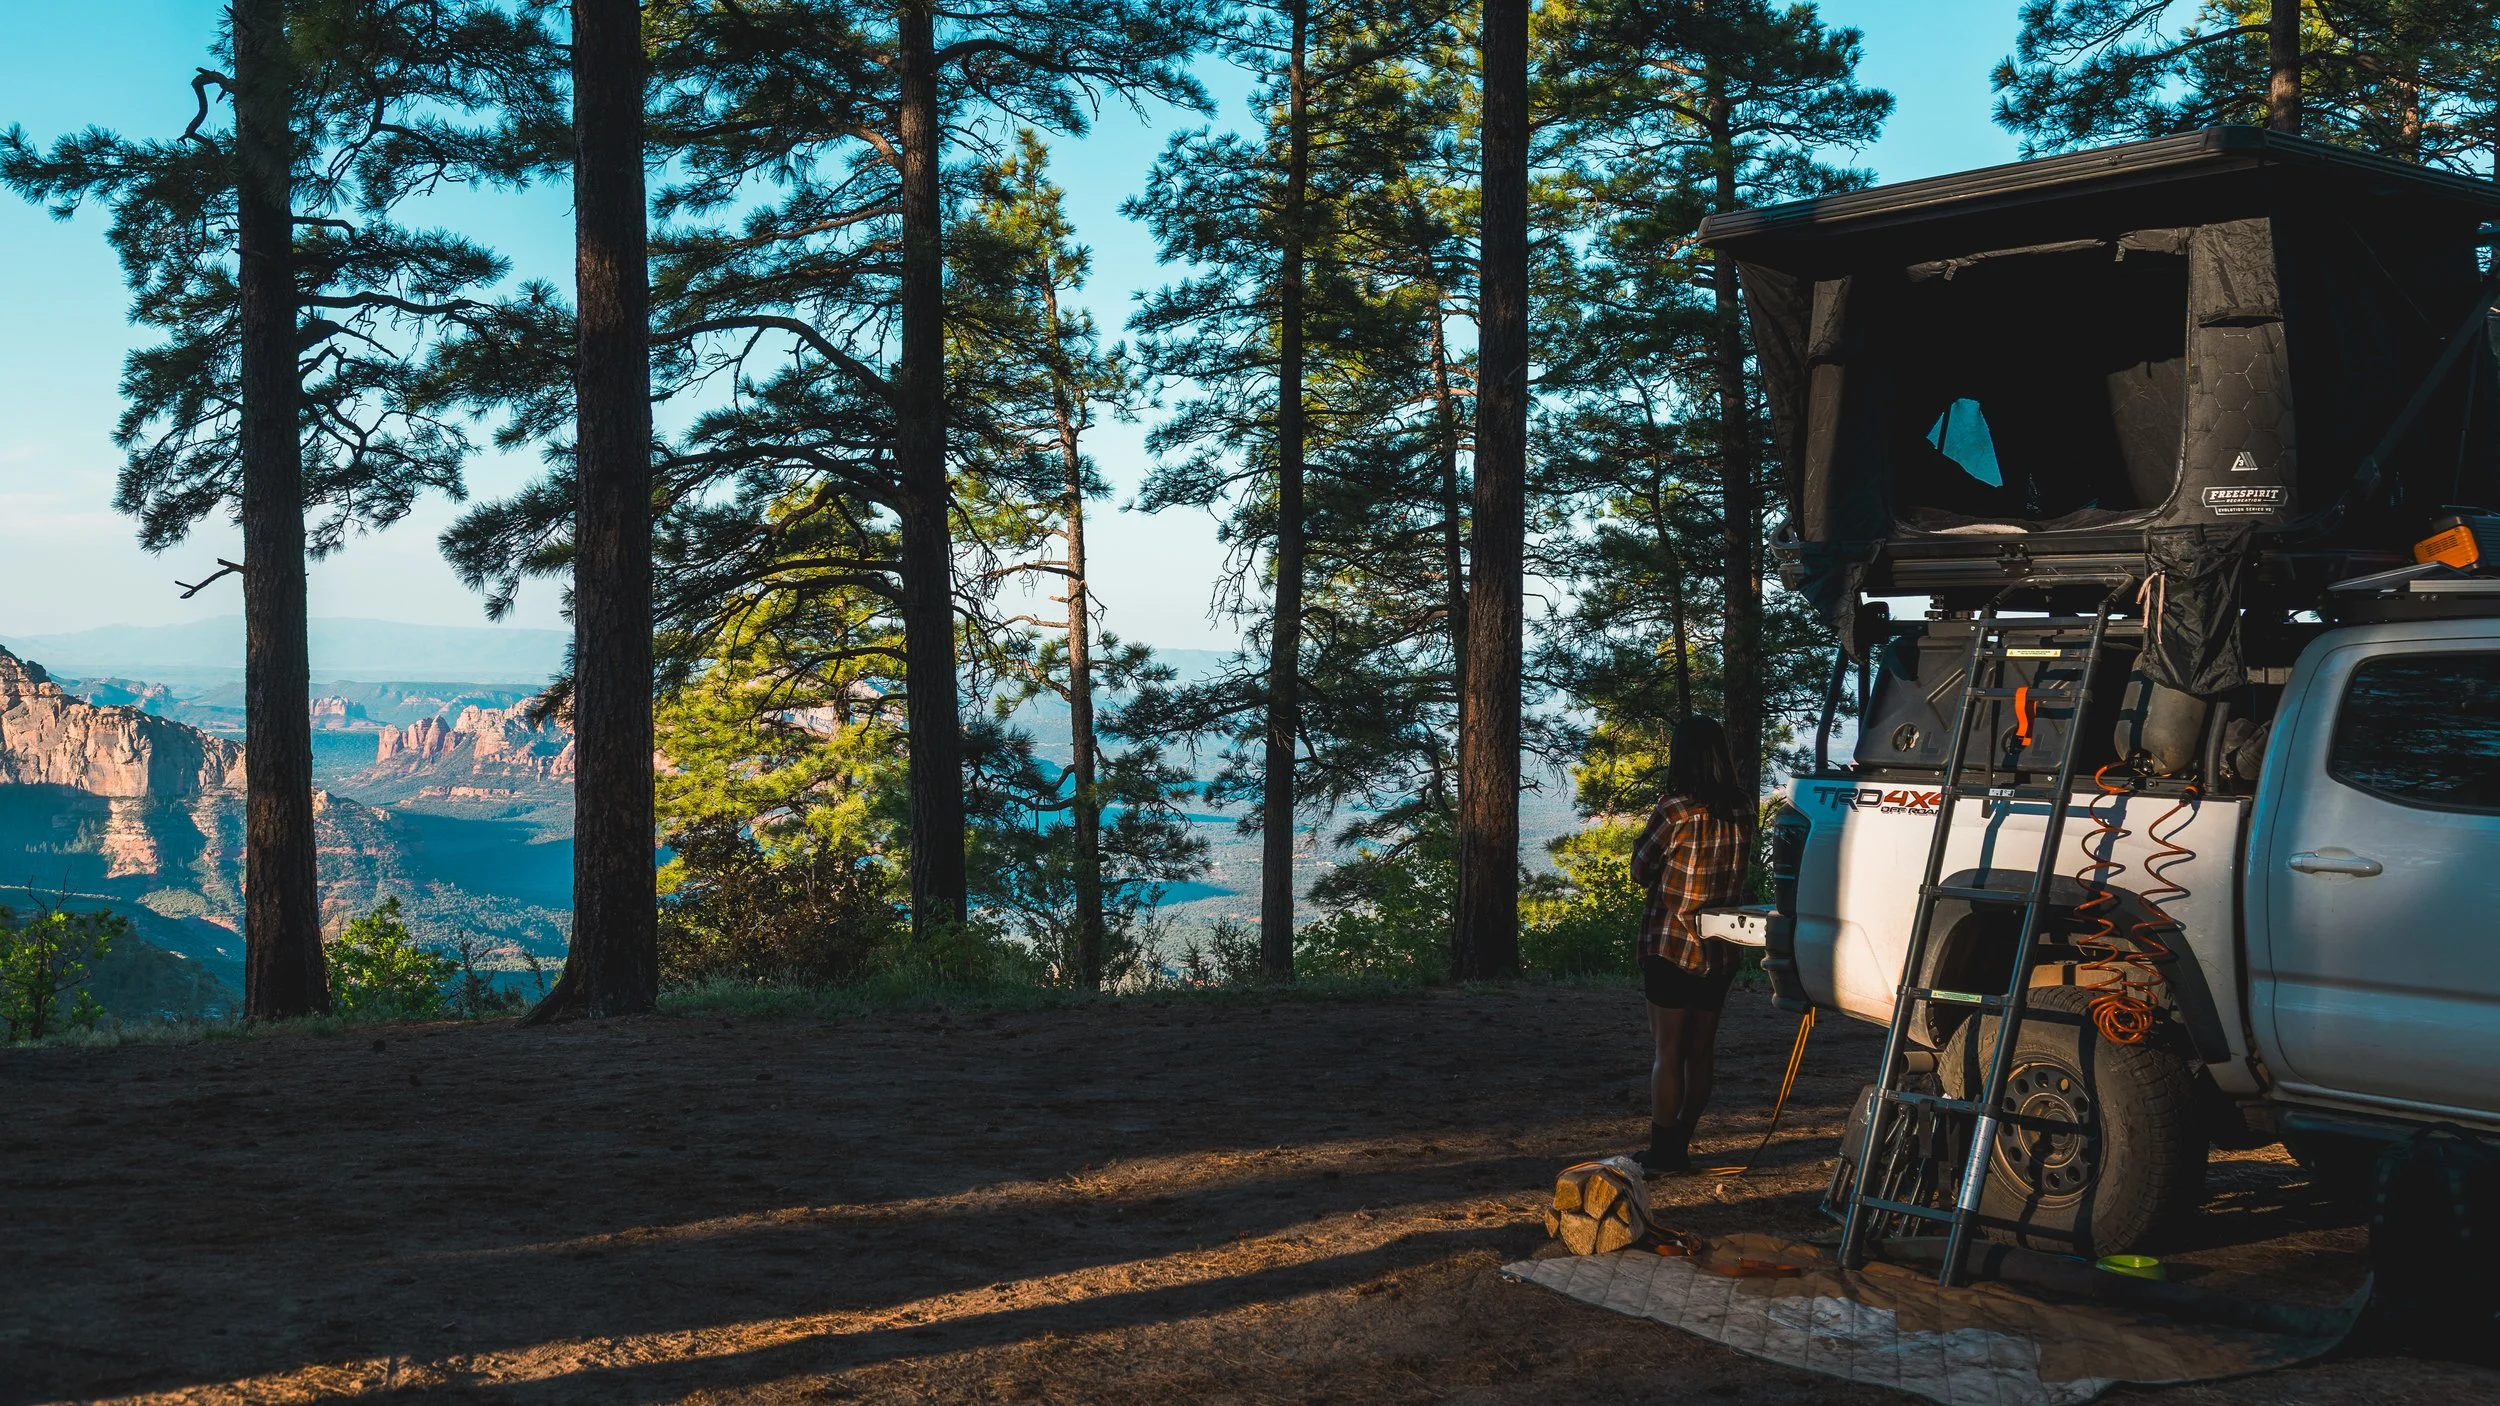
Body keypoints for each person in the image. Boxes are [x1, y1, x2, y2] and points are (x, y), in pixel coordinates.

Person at [1626, 715, 1752, 1176]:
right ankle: (1682, 1140)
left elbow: (1641, 869)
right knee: (1701, 1051)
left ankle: (1664, 1151)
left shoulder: (1675, 808)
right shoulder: (1743, 807)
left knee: (1667, 1051)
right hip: (1720, 945)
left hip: (1672, 942)